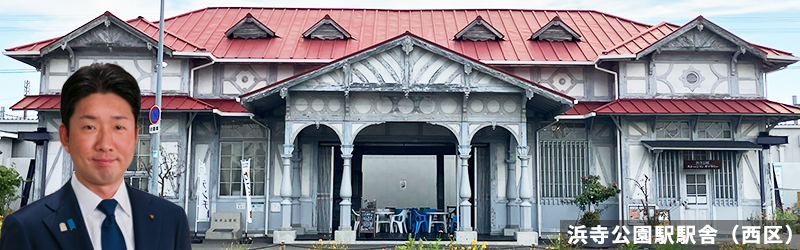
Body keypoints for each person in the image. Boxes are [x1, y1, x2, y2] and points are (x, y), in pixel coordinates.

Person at [0, 63, 191, 250]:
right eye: (90, 127)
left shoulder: (171, 220)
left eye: (118, 127)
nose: (105, 144)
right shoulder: (27, 228)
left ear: (134, 136)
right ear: (65, 136)